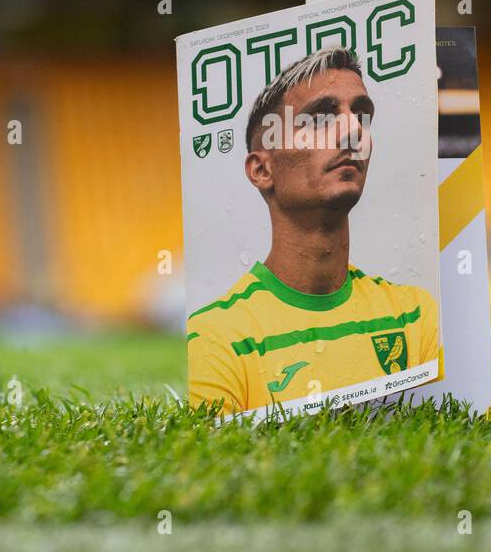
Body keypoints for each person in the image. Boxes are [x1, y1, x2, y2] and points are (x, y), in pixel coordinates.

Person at [187, 47, 441, 417]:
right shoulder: (215, 338)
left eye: (362, 116)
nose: (354, 130)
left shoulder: (417, 318)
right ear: (262, 170)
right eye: (321, 118)